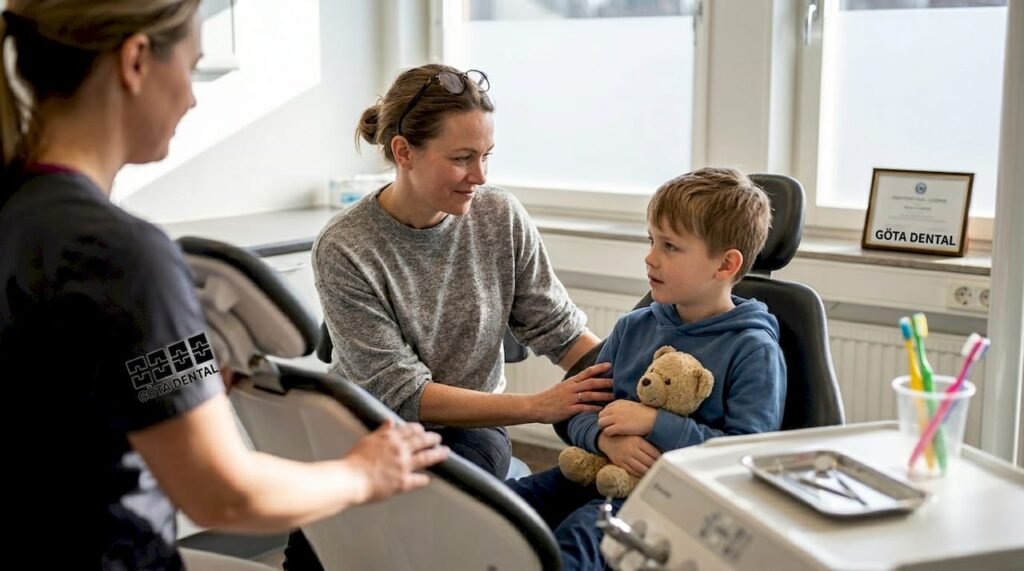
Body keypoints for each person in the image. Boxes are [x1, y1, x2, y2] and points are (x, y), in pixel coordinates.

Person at [0, 3, 447, 570]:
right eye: (190, 68)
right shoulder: (121, 255)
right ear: (136, 61)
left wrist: (187, 379)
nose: (191, 98)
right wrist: (363, 472)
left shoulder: (21, 214)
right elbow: (223, 494)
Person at [313, 63, 613, 479]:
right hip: (373, 425)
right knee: (349, 525)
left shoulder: (499, 215)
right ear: (404, 152)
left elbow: (559, 331)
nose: (480, 176)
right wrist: (537, 407)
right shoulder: (346, 246)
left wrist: (628, 381)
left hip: (470, 431)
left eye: (486, 156)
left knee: (452, 498)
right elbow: (402, 393)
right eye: (462, 158)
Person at [506, 167, 788, 570]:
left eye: (670, 246)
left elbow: (741, 455)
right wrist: (604, 439)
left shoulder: (752, 349)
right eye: (651, 240)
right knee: (500, 510)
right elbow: (581, 409)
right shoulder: (634, 326)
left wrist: (655, 423)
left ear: (725, 264)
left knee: (579, 540)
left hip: (670, 497)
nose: (650, 257)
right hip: (596, 467)